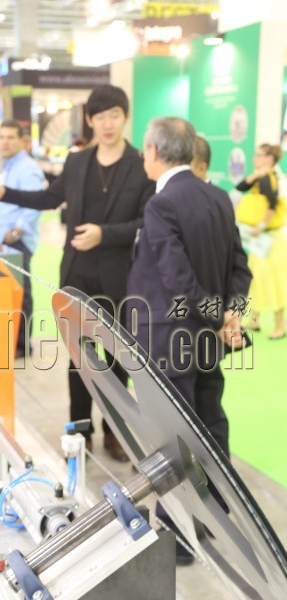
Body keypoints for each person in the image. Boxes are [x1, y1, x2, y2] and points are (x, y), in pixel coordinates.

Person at [0, 84, 156, 461]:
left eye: (114, 116)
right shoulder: (77, 162)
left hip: (119, 278)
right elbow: (49, 197)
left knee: (115, 360)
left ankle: (115, 432)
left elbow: (146, 221)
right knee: (79, 358)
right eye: (100, 117)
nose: (107, 124)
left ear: (125, 118)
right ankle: (80, 431)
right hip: (76, 276)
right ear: (90, 120)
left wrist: (105, 234)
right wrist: (5, 193)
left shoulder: (140, 166)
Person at [127, 117, 252, 564]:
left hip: (169, 339)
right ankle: (216, 512)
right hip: (207, 341)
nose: (143, 157)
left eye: (144, 150)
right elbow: (240, 267)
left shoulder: (161, 204)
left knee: (175, 437)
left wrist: (220, 317)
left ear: (155, 152)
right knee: (211, 423)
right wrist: (231, 315)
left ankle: (181, 534)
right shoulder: (217, 197)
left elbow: (178, 280)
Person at [0, 120, 45, 358]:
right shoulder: (11, 165)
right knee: (11, 291)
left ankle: (22, 346)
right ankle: (14, 341)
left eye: (10, 137)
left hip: (18, 241)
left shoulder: (27, 168)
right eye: (2, 137)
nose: (5, 142)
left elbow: (34, 204)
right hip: (5, 239)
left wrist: (15, 232)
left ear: (22, 141)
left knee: (21, 293)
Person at [235, 143, 287, 339]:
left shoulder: (269, 178)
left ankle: (279, 325)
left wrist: (261, 225)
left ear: (269, 159)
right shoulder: (261, 176)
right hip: (261, 241)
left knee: (273, 282)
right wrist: (255, 174)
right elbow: (241, 186)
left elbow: (272, 204)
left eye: (259, 155)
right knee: (256, 279)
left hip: (269, 240)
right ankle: (254, 319)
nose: (254, 159)